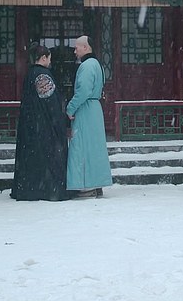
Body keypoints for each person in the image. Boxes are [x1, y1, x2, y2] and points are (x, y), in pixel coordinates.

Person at [11, 43, 70, 201]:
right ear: (43, 58)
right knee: (49, 157)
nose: (50, 62)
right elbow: (50, 102)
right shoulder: (43, 76)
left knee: (31, 158)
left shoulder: (30, 73)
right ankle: (49, 190)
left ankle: (30, 189)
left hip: (31, 124)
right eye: (49, 58)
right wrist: (60, 120)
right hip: (44, 125)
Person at [66, 35, 113, 197]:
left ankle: (86, 186)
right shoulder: (97, 64)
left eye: (77, 47)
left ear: (85, 48)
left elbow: (83, 91)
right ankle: (97, 182)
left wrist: (70, 108)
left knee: (82, 146)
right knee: (95, 147)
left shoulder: (86, 66)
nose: (74, 51)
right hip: (94, 108)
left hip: (85, 109)